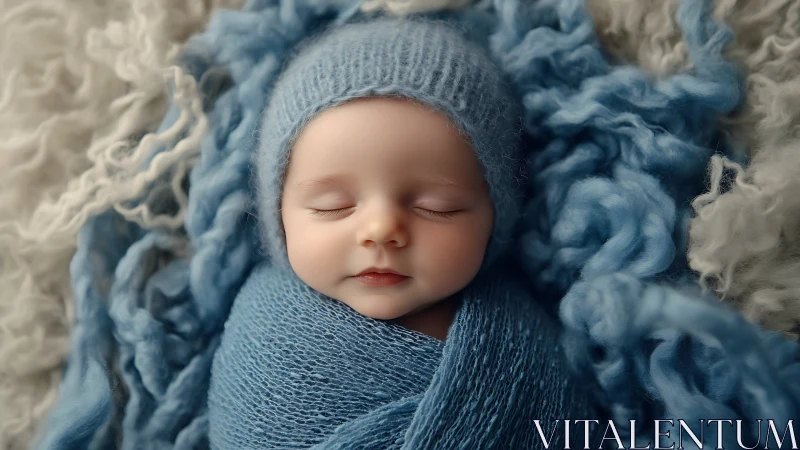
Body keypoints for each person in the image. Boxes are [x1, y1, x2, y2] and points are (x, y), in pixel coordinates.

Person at [208, 16, 599, 449]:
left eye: (437, 207)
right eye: (332, 206)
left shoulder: (520, 344)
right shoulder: (263, 340)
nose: (381, 230)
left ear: (495, 216)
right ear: (279, 216)